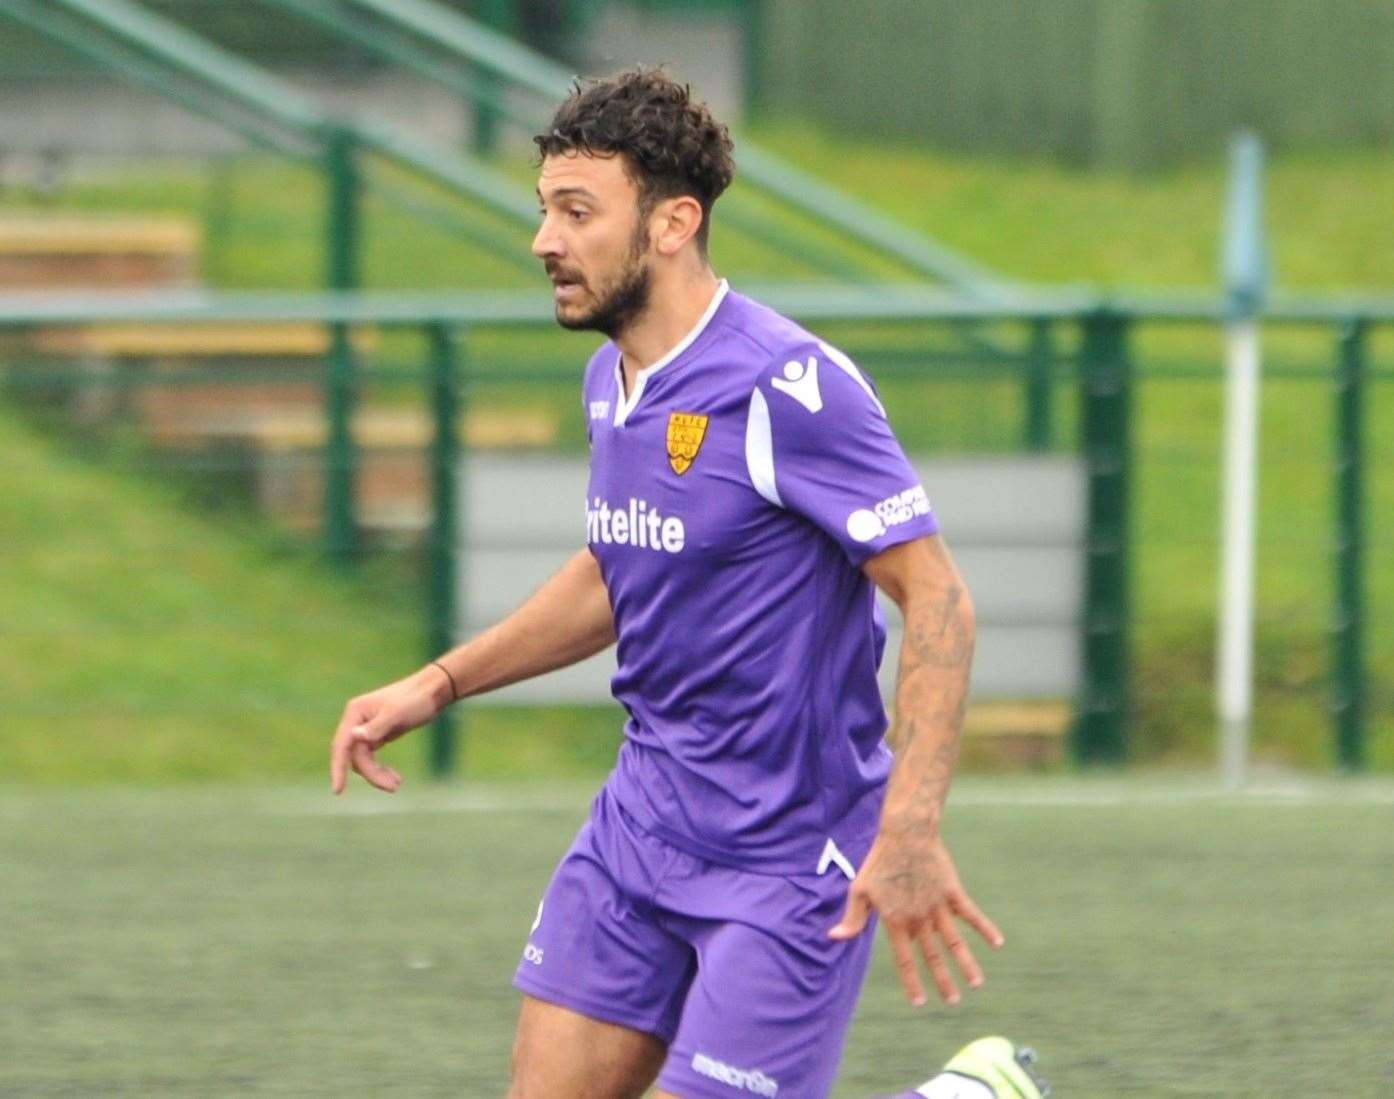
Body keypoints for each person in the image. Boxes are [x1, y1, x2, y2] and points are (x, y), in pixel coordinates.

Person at [329, 68, 1045, 1099]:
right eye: (543, 210)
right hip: (640, 830)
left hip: (786, 858)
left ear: (672, 222)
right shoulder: (608, 382)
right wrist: (435, 684)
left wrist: (909, 828)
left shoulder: (788, 388)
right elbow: (622, 566)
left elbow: (936, 598)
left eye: (577, 212)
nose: (543, 241)